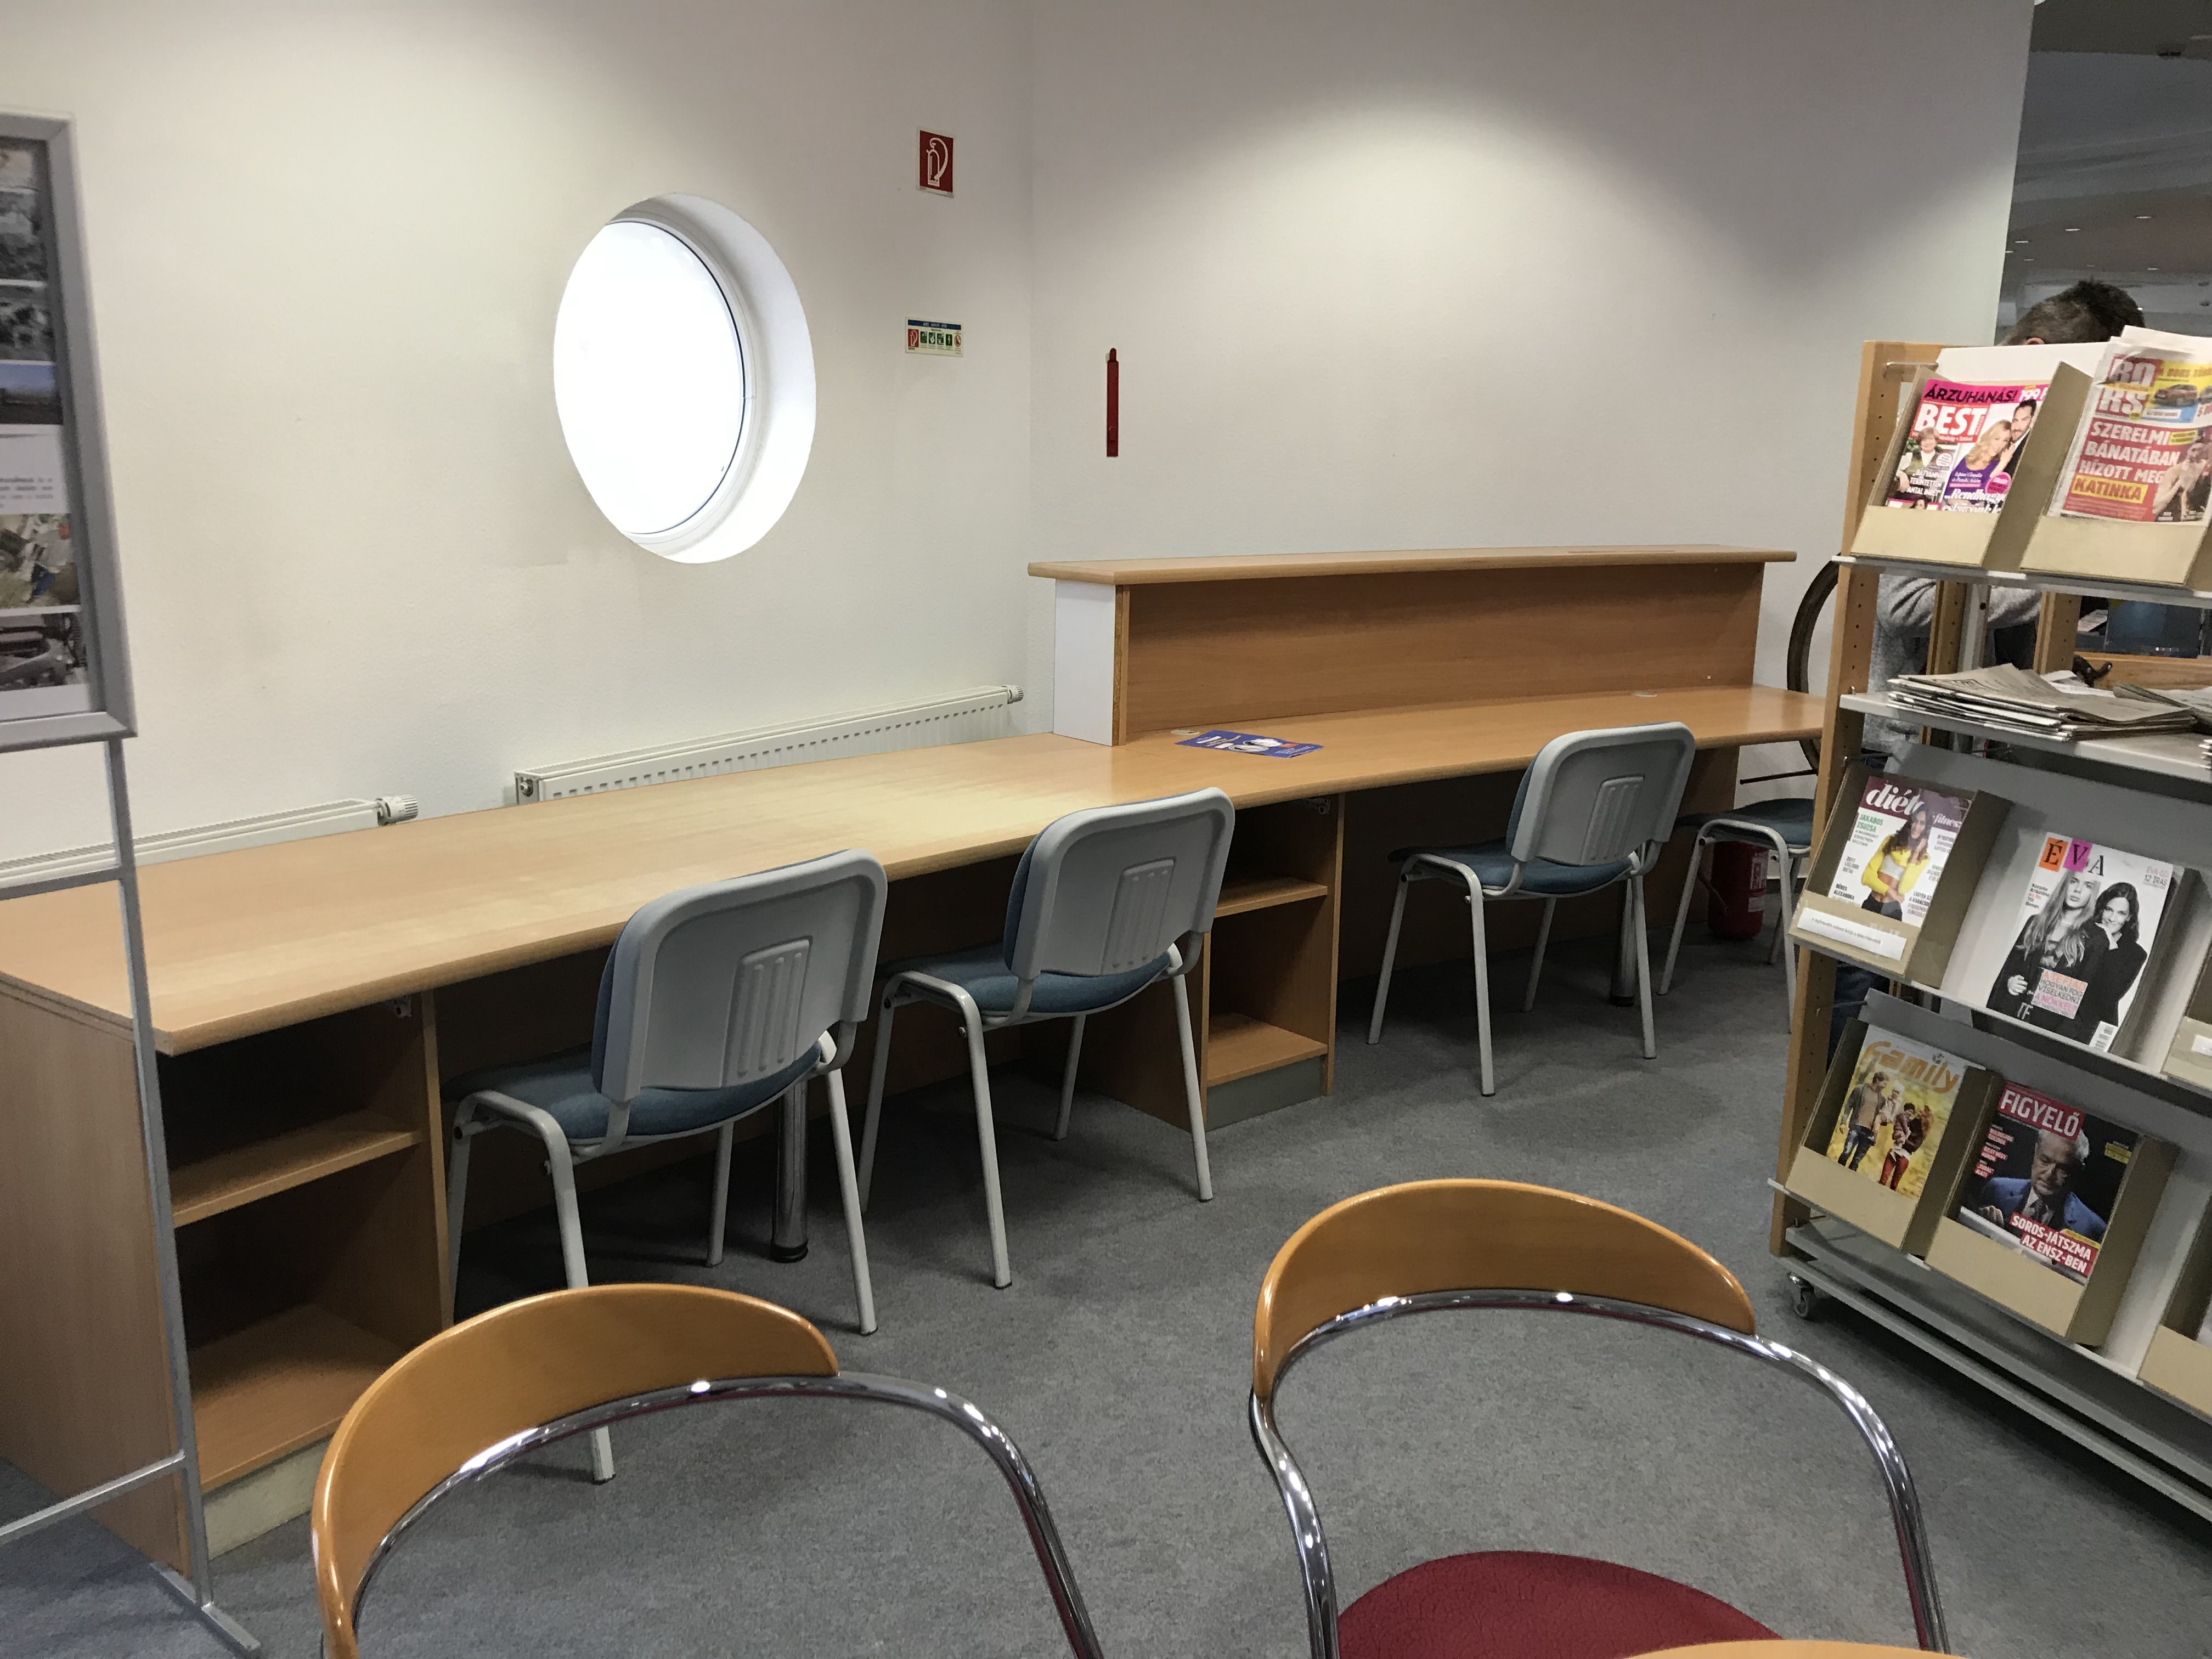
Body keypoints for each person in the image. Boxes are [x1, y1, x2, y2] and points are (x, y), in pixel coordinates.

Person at [1990, 866, 2104, 1031]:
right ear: (2065, 884)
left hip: (2046, 1029)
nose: (2078, 890)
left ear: (2093, 893)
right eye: (2074, 881)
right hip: (2008, 1015)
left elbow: (2085, 998)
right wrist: (2010, 981)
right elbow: (2009, 969)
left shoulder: (2095, 938)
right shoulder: (2035, 922)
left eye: (2088, 886)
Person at [1974, 1128, 2108, 1244]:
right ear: (2036, 1152)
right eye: (2045, 1161)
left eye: (2063, 1168)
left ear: (2078, 1171)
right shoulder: (1997, 1189)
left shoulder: (2093, 1228)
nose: (2050, 1175)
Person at [2069, 882, 2146, 1044]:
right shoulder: (2081, 933)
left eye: (2121, 913)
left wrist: (2111, 945)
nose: (2112, 918)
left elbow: (2111, 995)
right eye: (2109, 910)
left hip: (2095, 1027)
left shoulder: (2136, 954)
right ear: (2102, 909)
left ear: (2129, 917)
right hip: (2065, 1018)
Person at [1858, 803, 1933, 921]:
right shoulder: (1891, 841)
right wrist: (1891, 891)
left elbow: (1903, 889)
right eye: (1915, 821)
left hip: (1892, 911)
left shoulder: (1923, 857)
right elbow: (1867, 877)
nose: (1916, 827)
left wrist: (1915, 856)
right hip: (1871, 903)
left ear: (1927, 828)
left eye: (1922, 823)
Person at [1836, 1069, 1891, 1172]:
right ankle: (1836, 1172)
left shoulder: (1882, 1100)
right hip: (1856, 1126)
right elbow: (1849, 1106)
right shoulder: (1860, 1090)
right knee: (1846, 1152)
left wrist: (1884, 1119)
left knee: (1856, 1161)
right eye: (1884, 1084)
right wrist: (1843, 1122)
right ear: (1878, 1081)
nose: (1885, 1087)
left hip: (1869, 1132)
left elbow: (1883, 1118)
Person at [1878, 1096, 1928, 1191]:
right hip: (1895, 1150)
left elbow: (1914, 1147)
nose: (1919, 1112)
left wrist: (1905, 1141)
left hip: (1905, 1156)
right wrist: (1897, 1135)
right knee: (1883, 1178)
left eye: (1922, 1112)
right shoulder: (1908, 1121)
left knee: (1894, 1183)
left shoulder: (1921, 1134)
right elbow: (1897, 1130)